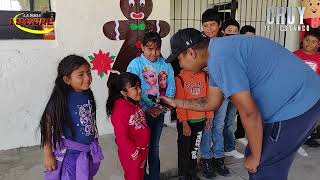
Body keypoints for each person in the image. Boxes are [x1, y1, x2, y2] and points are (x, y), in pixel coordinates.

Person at [162, 28, 320, 180]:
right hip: (297, 98)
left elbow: (249, 113)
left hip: (298, 103)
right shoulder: (216, 53)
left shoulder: (219, 59)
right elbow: (211, 102)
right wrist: (175, 103)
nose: (180, 65)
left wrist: (256, 157)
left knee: (263, 168)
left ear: (191, 53)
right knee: (254, 155)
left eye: (179, 59)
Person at [40, 55, 104, 180]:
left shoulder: (87, 94)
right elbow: (46, 124)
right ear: (67, 79)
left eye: (89, 73)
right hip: (70, 157)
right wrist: (48, 155)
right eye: (81, 75)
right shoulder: (60, 99)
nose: (87, 78)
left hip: (86, 153)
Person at [127, 31, 175, 180]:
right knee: (141, 149)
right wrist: (147, 109)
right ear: (142, 47)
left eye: (157, 48)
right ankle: (141, 176)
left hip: (158, 115)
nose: (154, 53)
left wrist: (160, 108)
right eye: (150, 49)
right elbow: (130, 91)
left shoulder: (166, 64)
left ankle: (154, 177)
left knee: (154, 149)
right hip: (140, 116)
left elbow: (171, 88)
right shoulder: (135, 65)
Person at [199, 8, 233, 178]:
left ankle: (219, 158)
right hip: (206, 92)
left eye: (213, 24)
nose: (209, 28)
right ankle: (206, 159)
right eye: (206, 25)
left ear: (219, 25)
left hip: (223, 91)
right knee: (207, 126)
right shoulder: (201, 44)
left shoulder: (227, 44)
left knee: (219, 126)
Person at [175, 58, 213, 180]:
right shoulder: (180, 78)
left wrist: (209, 117)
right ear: (181, 63)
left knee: (194, 150)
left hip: (200, 121)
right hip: (186, 122)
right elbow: (180, 103)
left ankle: (192, 172)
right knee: (184, 150)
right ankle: (183, 174)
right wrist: (184, 123)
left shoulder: (204, 76)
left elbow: (208, 98)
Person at [106, 72, 150, 180]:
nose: (139, 90)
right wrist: (135, 154)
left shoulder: (134, 103)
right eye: (135, 88)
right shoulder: (120, 110)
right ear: (123, 92)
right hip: (132, 155)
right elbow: (121, 138)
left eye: (140, 86)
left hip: (141, 151)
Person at [293, 28, 320, 151]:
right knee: (295, 116)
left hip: (313, 93)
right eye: (307, 40)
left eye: (313, 42)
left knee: (309, 117)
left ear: (318, 44)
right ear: (302, 40)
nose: (309, 44)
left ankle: (305, 137)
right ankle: (294, 140)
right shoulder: (294, 55)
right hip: (296, 93)